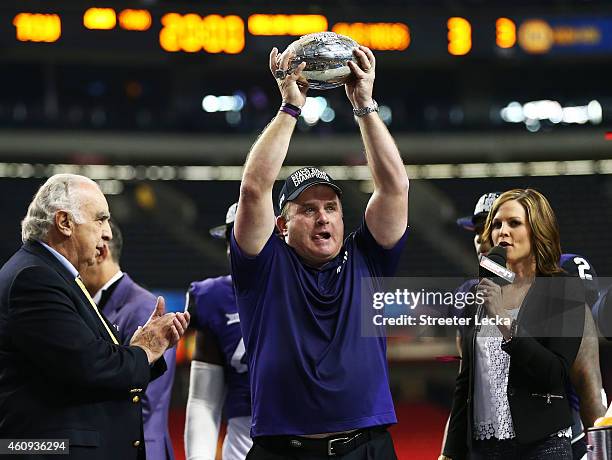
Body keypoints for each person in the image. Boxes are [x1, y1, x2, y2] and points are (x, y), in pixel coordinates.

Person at [230, 45, 408, 459]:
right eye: (307, 210)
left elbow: (395, 188)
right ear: (281, 225)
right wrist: (290, 107)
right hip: (283, 451)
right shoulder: (263, 265)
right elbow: (255, 189)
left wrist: (365, 105)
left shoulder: (369, 258)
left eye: (331, 208)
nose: (323, 218)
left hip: (367, 447)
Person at [0, 173, 189, 460]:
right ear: (64, 223)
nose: (108, 233)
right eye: (100, 219)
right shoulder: (35, 278)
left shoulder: (48, 274)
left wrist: (135, 350)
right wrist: (145, 348)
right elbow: (89, 364)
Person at [454, 191, 606, 459]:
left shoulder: (562, 289)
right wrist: (449, 452)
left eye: (514, 223)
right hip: (484, 448)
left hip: (544, 442)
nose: (502, 232)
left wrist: (602, 452)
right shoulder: (476, 295)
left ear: (537, 230)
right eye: (496, 225)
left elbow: (571, 377)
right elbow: (465, 385)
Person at [81, 219, 176, 460]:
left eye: (82, 255)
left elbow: (144, 400)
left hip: (137, 450)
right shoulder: (94, 305)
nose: (75, 267)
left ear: (101, 252)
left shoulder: (144, 308)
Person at [184, 202, 252, 460]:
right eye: (232, 239)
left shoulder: (305, 289)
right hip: (243, 443)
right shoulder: (213, 298)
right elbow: (204, 400)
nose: (239, 247)